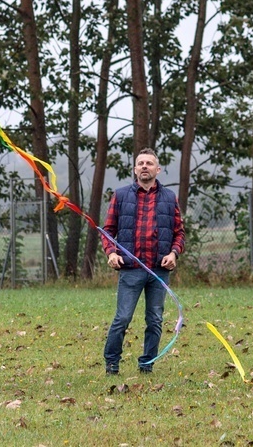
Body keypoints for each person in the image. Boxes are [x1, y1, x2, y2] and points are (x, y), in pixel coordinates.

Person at [101, 147, 185, 375]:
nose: (144, 166)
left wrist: (174, 253)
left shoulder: (169, 198)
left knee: (155, 320)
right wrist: (111, 253)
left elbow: (179, 233)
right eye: (140, 163)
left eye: (149, 163)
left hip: (159, 270)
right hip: (131, 270)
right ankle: (111, 363)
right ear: (135, 169)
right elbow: (107, 230)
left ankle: (147, 363)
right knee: (123, 318)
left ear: (158, 169)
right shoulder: (120, 196)